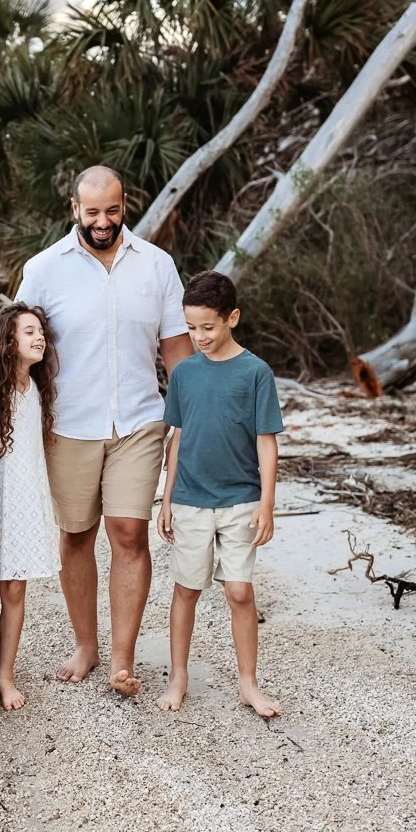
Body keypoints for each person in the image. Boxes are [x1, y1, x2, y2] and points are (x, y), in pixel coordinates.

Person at [16, 166, 192, 695]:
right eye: (91, 212)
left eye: (112, 211)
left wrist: (191, 422)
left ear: (125, 205)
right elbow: (17, 345)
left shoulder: (157, 266)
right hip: (67, 425)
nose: (102, 222)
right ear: (74, 208)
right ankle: (86, 646)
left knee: (130, 533)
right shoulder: (44, 269)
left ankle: (121, 659)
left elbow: (178, 354)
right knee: (75, 535)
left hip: (139, 420)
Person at [156, 271, 283, 718]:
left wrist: (267, 501)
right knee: (186, 589)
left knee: (240, 592)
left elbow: (266, 440)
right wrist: (166, 498)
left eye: (207, 327)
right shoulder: (185, 374)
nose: (199, 337)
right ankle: (178, 676)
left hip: (241, 501)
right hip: (190, 499)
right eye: (191, 328)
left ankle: (249, 682)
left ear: (232, 318)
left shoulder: (255, 373)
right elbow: (177, 437)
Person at [0, 302, 61, 711]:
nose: (39, 336)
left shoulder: (37, 390)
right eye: (28, 331)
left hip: (25, 502)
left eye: (40, 330)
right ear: (8, 340)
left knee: (15, 588)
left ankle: (5, 673)